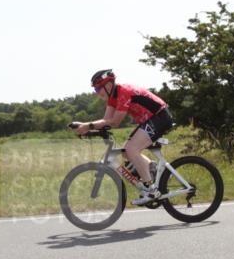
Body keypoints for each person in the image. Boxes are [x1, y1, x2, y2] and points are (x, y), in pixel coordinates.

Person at [71, 69, 175, 205]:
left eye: (98, 88)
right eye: (95, 90)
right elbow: (106, 120)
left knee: (131, 149)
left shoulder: (123, 92)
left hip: (160, 117)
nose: (97, 93)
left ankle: (152, 190)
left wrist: (88, 125)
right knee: (126, 152)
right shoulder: (112, 98)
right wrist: (87, 128)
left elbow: (115, 122)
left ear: (108, 84)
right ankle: (152, 169)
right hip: (150, 120)